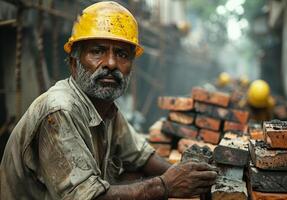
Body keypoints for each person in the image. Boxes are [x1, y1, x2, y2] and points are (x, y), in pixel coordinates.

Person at [0, 1, 218, 200]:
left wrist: (187, 175)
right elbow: (88, 198)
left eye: (122, 54)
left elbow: (141, 156)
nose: (111, 64)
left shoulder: (106, 109)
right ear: (74, 63)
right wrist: (166, 185)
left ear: (131, 66)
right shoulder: (59, 110)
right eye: (97, 51)